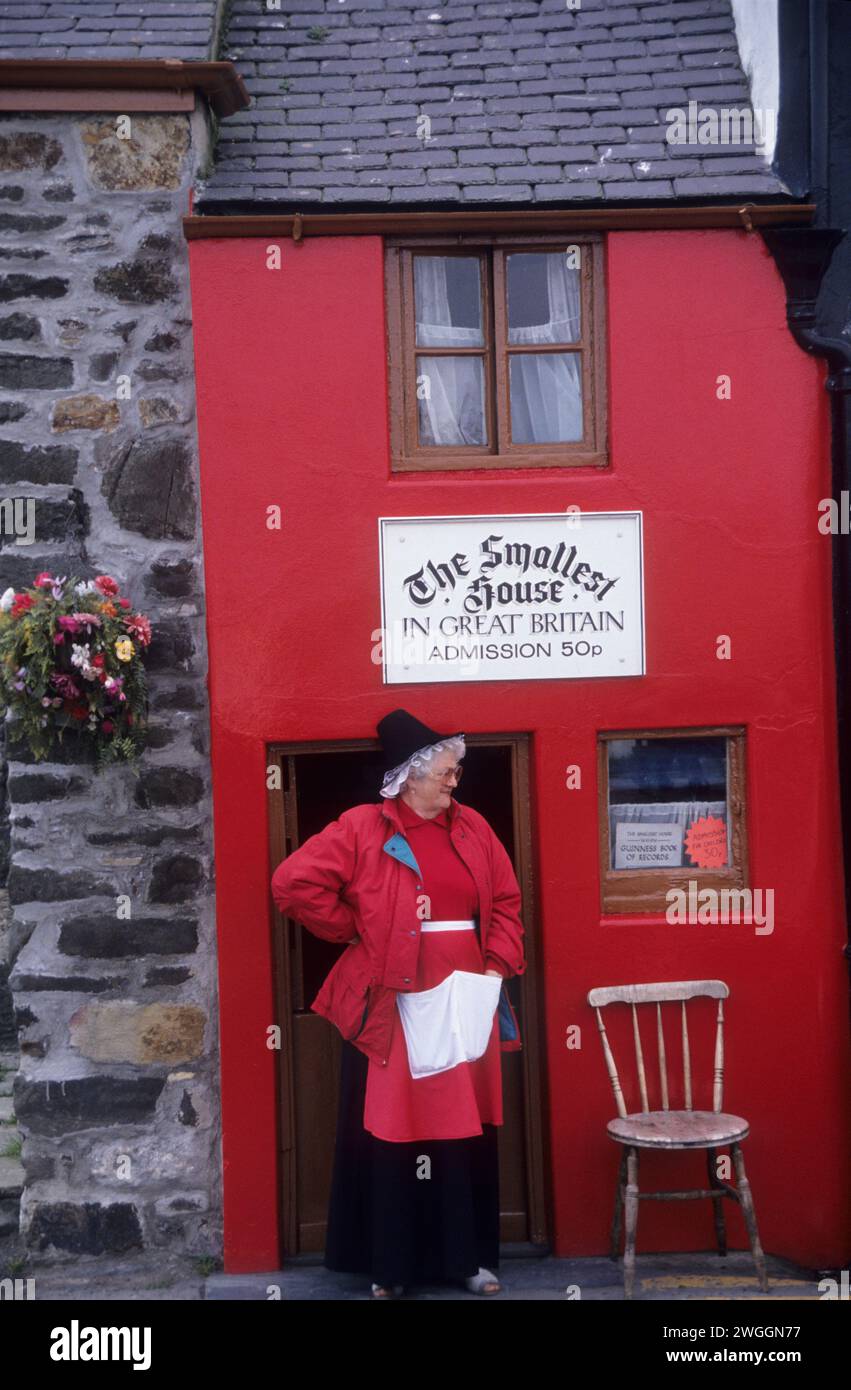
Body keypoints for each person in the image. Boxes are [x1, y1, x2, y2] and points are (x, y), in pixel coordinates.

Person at [270, 708, 526, 1298]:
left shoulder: (476, 829)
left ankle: (465, 1260)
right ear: (409, 776)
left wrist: (492, 969)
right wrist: (357, 930)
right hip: (396, 998)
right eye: (447, 771)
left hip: (467, 992)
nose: (456, 781)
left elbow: (508, 902)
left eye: (457, 771)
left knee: (462, 1126)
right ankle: (391, 1268)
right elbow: (293, 883)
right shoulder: (363, 828)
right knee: (397, 1129)